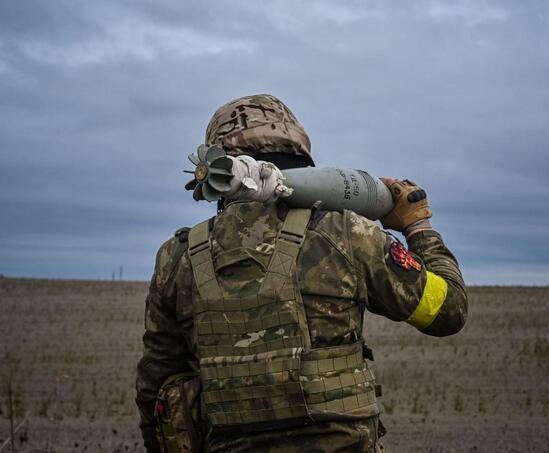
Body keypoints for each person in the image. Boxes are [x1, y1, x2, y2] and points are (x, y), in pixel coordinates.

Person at [135, 94, 467, 452]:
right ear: (301, 157)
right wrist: (420, 226)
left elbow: (157, 385)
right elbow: (447, 312)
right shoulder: (347, 234)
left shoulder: (178, 256)